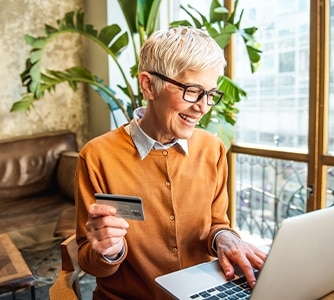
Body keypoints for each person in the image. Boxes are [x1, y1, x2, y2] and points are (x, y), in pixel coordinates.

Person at [75, 26, 266, 299]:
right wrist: (109, 250)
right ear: (148, 85)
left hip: (204, 293)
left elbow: (216, 224)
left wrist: (225, 238)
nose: (203, 106)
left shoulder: (212, 149)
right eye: (192, 90)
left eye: (210, 94)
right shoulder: (97, 157)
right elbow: (88, 260)